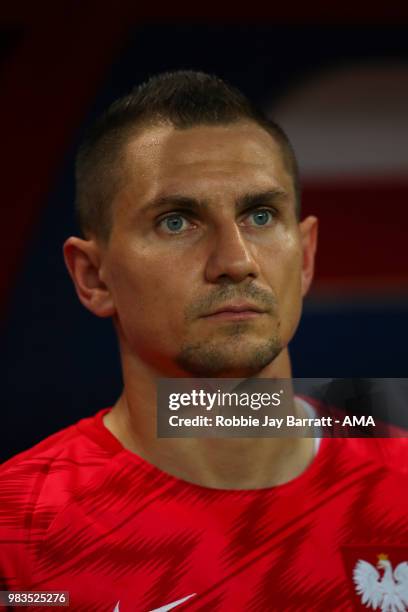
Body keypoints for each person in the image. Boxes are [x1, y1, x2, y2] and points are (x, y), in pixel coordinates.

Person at [0, 71, 407, 612]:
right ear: (93, 278)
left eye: (260, 215)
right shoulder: (16, 533)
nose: (236, 262)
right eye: (176, 222)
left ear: (305, 257)